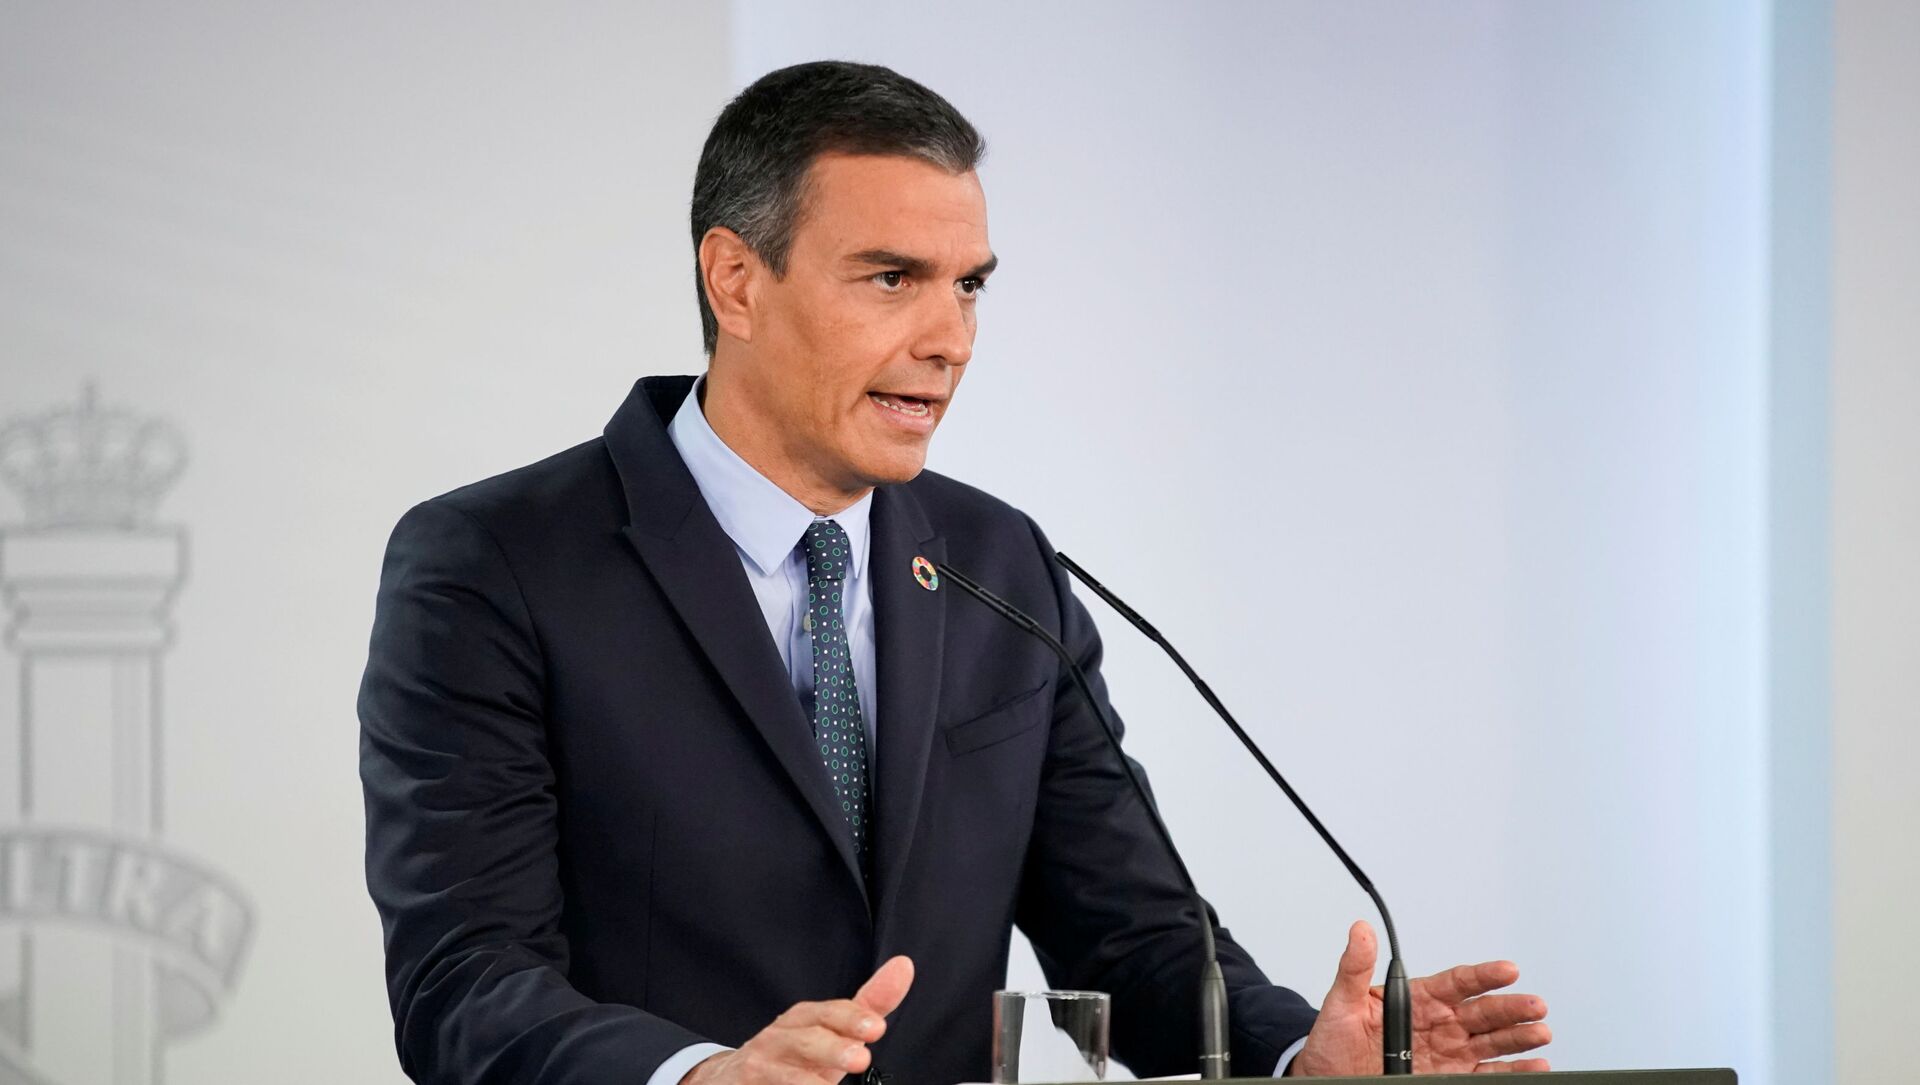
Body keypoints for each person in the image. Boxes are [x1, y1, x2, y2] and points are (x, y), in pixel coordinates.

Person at [359, 60, 1552, 1085]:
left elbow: (1132, 932)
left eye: (968, 284)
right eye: (892, 278)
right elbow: (467, 975)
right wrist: (698, 1072)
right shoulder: (497, 563)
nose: (950, 339)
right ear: (737, 280)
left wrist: (1297, 1054)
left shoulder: (999, 561)